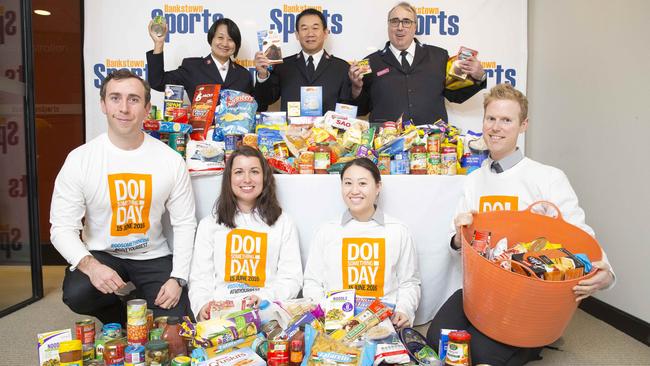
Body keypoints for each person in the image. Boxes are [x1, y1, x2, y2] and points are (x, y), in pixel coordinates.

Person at [426, 83, 616, 365]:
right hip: (482, 289)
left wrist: (608, 273)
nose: (496, 127)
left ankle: (536, 341)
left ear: (523, 125)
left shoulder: (548, 177)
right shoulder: (474, 179)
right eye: (491, 118)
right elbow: (457, 245)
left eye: (506, 120)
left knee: (478, 353)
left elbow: (579, 234)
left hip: (526, 296)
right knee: (438, 340)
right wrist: (457, 237)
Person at [50, 70, 197, 325]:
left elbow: (185, 223)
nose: (124, 108)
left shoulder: (170, 160)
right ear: (103, 105)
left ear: (147, 107)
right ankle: (120, 317)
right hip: (103, 253)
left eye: (134, 99)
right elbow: (62, 228)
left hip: (152, 253)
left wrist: (178, 278)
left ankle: (142, 300)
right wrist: (91, 266)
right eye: (115, 98)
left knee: (176, 320)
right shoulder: (81, 159)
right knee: (78, 293)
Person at [303, 158, 421, 329]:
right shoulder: (327, 231)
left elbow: (409, 282)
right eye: (348, 183)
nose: (354, 190)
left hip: (383, 322)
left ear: (378, 187)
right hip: (336, 323)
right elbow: (312, 281)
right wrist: (326, 311)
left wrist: (404, 310)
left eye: (363, 183)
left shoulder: (398, 230)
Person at [189, 146, 303, 321]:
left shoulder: (283, 223)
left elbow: (291, 278)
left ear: (265, 177)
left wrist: (264, 298)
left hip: (266, 315)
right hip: (221, 318)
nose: (247, 179)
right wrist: (202, 305)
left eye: (255, 172)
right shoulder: (209, 224)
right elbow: (200, 278)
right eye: (239, 172)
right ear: (229, 178)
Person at [348, 2, 486, 125]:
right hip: (386, 146)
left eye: (406, 21)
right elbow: (361, 110)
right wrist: (356, 88)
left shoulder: (439, 57)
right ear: (388, 25)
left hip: (432, 144)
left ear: (415, 27)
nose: (400, 27)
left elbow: (455, 95)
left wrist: (479, 77)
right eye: (395, 21)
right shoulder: (370, 63)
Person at [254, 8, 352, 113]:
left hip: (328, 129)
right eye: (304, 28)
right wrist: (263, 75)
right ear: (297, 34)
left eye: (315, 28)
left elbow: (348, 108)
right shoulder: (283, 66)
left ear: (325, 33)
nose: (310, 33)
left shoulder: (341, 68)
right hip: (292, 129)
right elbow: (265, 100)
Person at [147, 18, 256, 103]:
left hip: (235, 132)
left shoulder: (244, 75)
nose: (225, 44)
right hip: (200, 131)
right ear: (211, 39)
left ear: (236, 45)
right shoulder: (192, 68)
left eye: (231, 39)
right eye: (220, 37)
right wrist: (159, 44)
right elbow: (158, 82)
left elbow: (256, 106)